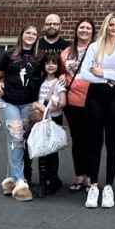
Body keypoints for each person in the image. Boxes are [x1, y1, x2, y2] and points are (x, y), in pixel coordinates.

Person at [79, 13, 115, 209]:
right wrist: (109, 78)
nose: (114, 28)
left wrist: (103, 73)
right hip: (95, 97)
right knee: (94, 142)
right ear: (105, 26)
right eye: (111, 24)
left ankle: (108, 186)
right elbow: (85, 74)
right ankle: (93, 186)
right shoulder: (94, 46)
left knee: (112, 142)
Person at [0, 24, 42, 201]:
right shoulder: (10, 54)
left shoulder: (38, 57)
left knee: (18, 140)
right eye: (28, 32)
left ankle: (10, 180)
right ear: (22, 35)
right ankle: (21, 182)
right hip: (8, 102)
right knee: (16, 138)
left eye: (34, 33)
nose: (31, 35)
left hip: (27, 104)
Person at [61, 19, 95, 193]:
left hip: (91, 100)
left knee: (90, 139)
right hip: (72, 101)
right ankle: (79, 174)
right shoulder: (67, 51)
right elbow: (62, 72)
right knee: (77, 138)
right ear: (76, 30)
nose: (84, 30)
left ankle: (90, 175)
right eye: (81, 27)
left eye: (88, 28)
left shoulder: (96, 49)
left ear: (92, 32)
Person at [30, 53, 67, 196]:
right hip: (41, 120)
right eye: (47, 63)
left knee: (52, 150)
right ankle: (43, 181)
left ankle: (53, 179)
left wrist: (45, 109)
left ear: (58, 66)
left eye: (54, 63)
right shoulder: (40, 81)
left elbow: (63, 102)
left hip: (54, 119)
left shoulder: (58, 83)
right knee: (41, 150)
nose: (50, 65)